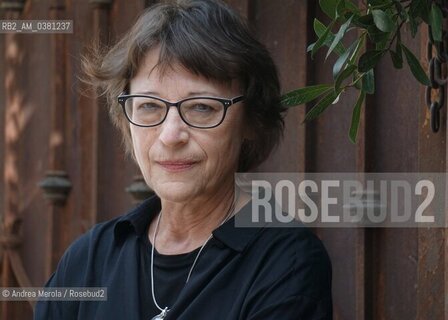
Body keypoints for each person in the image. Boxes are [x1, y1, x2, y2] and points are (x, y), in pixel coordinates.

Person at [34, 0, 332, 319]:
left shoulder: (286, 263)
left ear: (251, 120)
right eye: (149, 106)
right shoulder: (90, 258)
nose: (170, 135)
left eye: (202, 107)